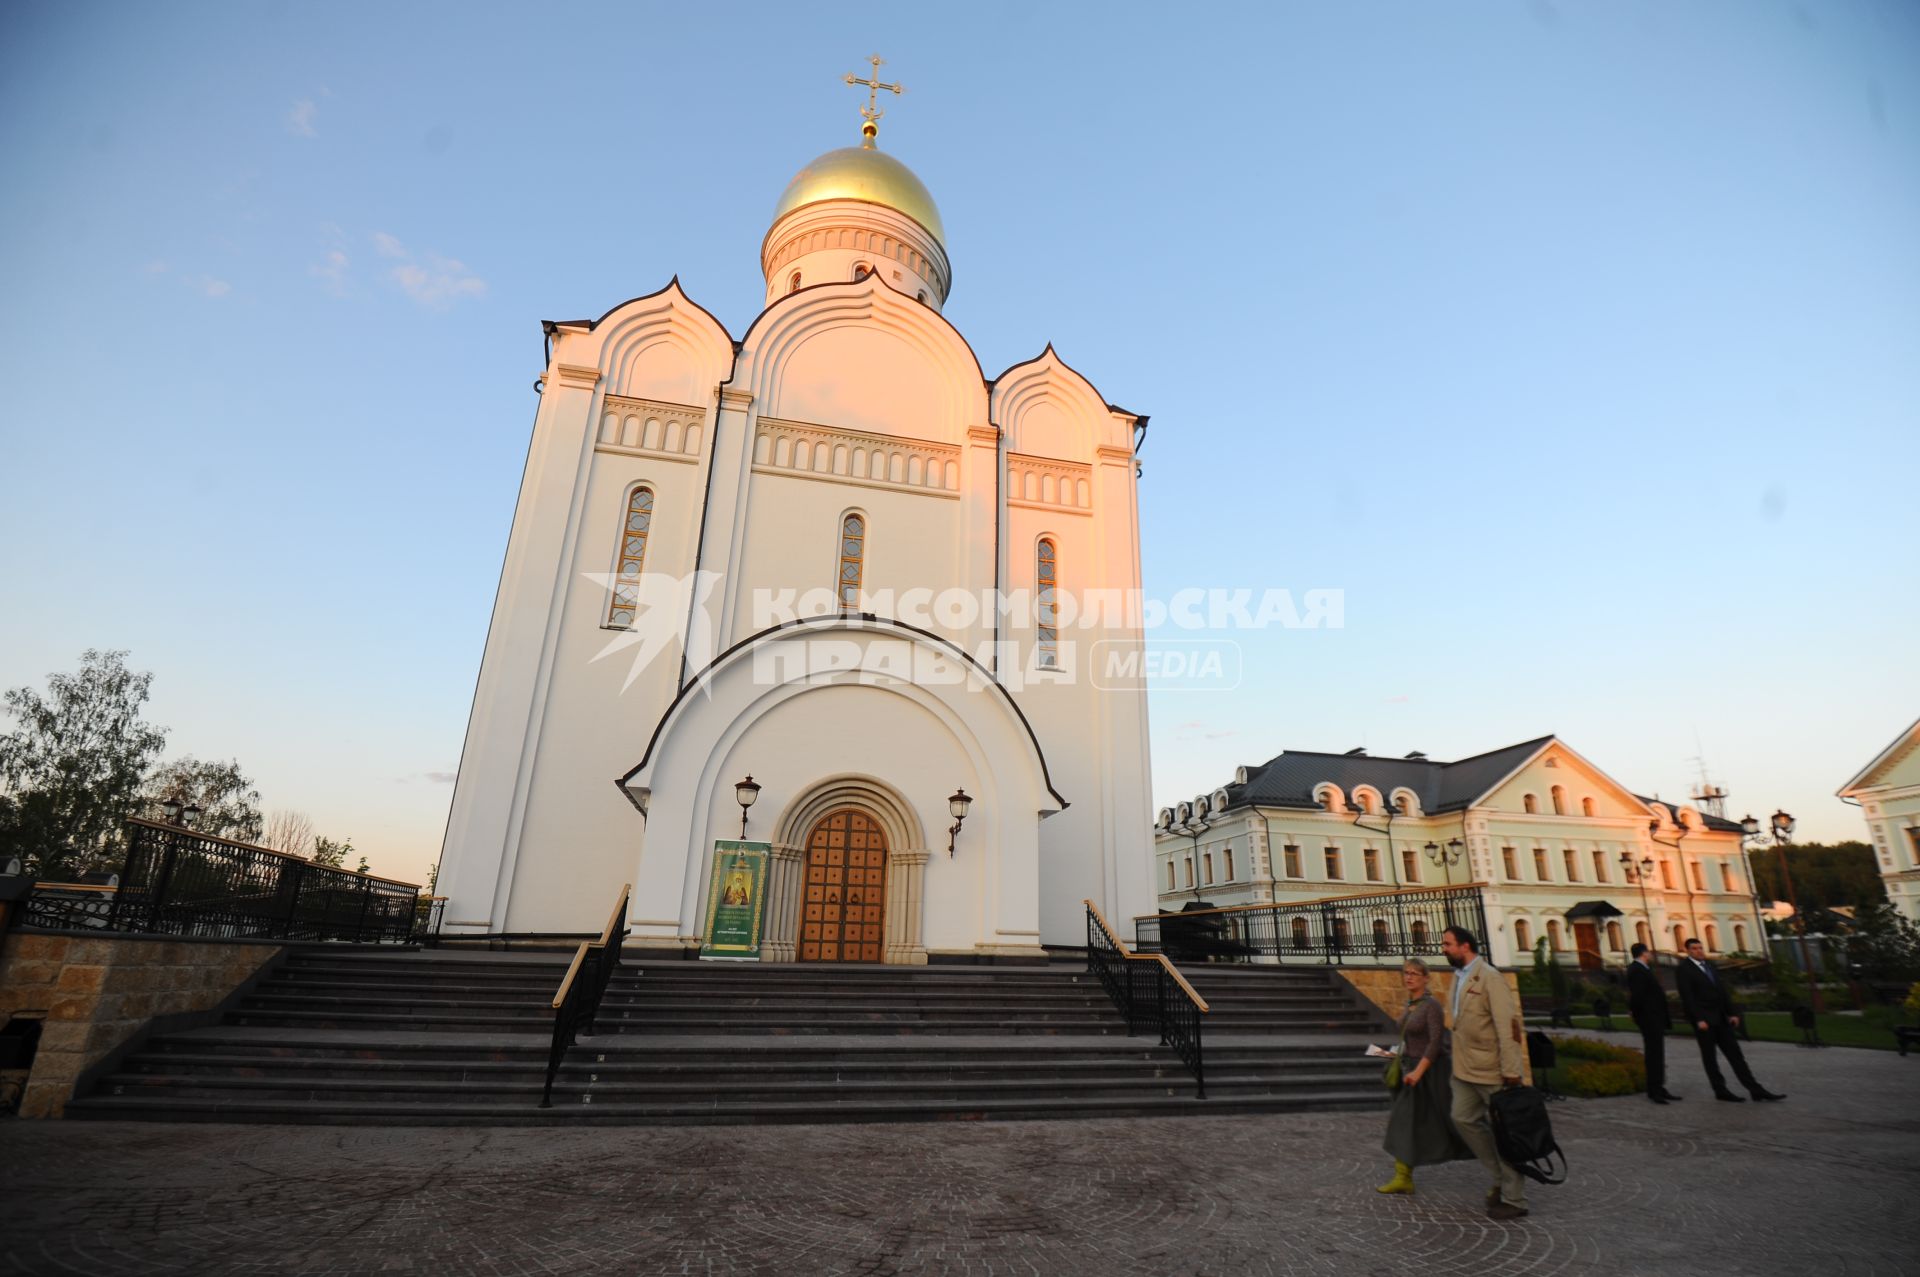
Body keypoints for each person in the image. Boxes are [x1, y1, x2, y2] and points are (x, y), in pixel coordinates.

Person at [1440, 924, 1530, 1221]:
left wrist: (1512, 1070)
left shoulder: (1490, 978)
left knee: (1505, 1134)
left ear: (1465, 946)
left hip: (1492, 1070)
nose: (1444, 949)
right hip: (1465, 1069)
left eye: (1448, 944)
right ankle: (1498, 1177)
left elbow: (1508, 1027)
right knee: (1462, 1118)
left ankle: (1514, 1197)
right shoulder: (1458, 977)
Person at [1377, 957, 1474, 1194]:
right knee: (1404, 1121)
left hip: (1429, 1073)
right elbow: (1408, 1040)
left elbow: (1435, 1042)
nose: (1408, 977)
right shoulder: (1411, 1004)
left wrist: (1419, 1071)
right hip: (1410, 1068)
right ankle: (1403, 1176)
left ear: (1426, 978)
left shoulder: (1430, 1006)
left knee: (1453, 1120)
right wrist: (1389, 1054)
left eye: (1414, 974)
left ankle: (1495, 1158)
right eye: (1406, 973)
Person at [1674, 937, 1786, 1102]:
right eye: (1695, 949)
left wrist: (1732, 1013)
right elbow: (1688, 997)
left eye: (1700, 947)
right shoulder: (1684, 969)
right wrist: (1698, 1019)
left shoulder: (1710, 966)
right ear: (1687, 951)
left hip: (1720, 1018)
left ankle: (1755, 1089)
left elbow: (1722, 991)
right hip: (1705, 1021)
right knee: (1710, 1057)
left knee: (1736, 1055)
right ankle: (1720, 1090)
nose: (1699, 951)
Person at [1626, 943, 1681, 1104]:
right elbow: (1637, 995)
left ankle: (1658, 1086)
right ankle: (1654, 1089)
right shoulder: (1637, 970)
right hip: (1649, 1017)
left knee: (1657, 1053)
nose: (1651, 954)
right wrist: (1636, 1013)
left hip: (1653, 1016)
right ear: (1644, 953)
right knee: (1653, 1053)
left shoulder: (1642, 968)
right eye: (1648, 952)